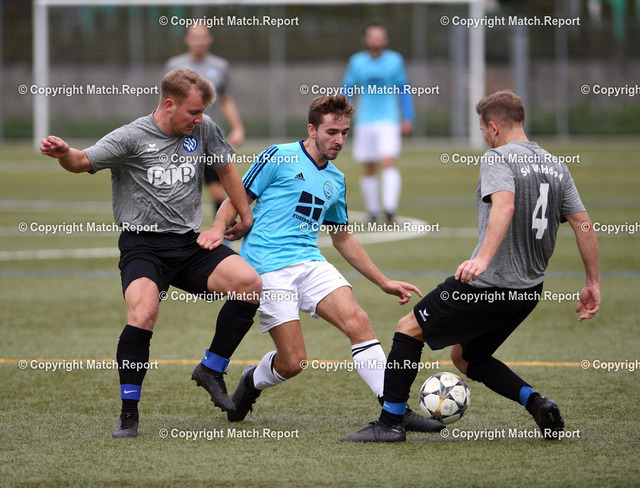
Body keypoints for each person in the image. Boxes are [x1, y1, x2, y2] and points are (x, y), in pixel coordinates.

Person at [341, 90, 600, 442]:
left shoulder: (498, 158)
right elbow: (583, 223)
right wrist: (592, 283)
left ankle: (389, 423)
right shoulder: (556, 165)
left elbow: (504, 206)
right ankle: (536, 402)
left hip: (487, 285)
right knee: (465, 356)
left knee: (408, 329)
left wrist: (482, 259)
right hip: (528, 290)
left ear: (494, 127)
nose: (485, 138)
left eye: (483, 131)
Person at [40, 68, 262, 438]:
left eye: (202, 111)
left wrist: (242, 217)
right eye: (193, 111)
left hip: (188, 244)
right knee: (143, 314)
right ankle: (129, 414)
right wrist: (64, 153)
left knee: (249, 284)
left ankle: (211, 368)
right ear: (169, 104)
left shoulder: (204, 128)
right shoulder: (131, 137)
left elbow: (226, 169)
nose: (200, 118)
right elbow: (80, 162)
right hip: (142, 246)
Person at [213, 95, 442, 433]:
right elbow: (236, 198)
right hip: (267, 267)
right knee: (293, 363)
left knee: (358, 321)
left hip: (310, 263)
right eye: (331, 132)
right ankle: (251, 380)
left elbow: (342, 238)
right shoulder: (278, 156)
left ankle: (395, 409)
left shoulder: (336, 179)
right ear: (312, 129)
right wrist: (218, 229)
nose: (339, 140)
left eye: (344, 132)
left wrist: (383, 281)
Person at [164, 25, 245, 215]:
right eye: (195, 37)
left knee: (218, 192)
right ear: (187, 39)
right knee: (178, 191)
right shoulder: (174, 65)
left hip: (208, 139)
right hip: (179, 138)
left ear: (209, 39)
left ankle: (222, 230)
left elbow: (226, 101)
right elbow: (165, 103)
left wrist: (237, 128)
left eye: (202, 37)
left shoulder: (220, 66)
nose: (198, 41)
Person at [341, 22, 414, 223]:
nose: (376, 40)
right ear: (365, 40)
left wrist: (408, 116)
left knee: (388, 162)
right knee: (369, 166)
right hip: (365, 121)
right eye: (372, 36)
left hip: (389, 120)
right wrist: (341, 113)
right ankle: (372, 211)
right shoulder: (357, 62)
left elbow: (403, 89)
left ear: (385, 40)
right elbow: (347, 89)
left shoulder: (395, 61)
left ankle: (390, 209)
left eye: (380, 36)